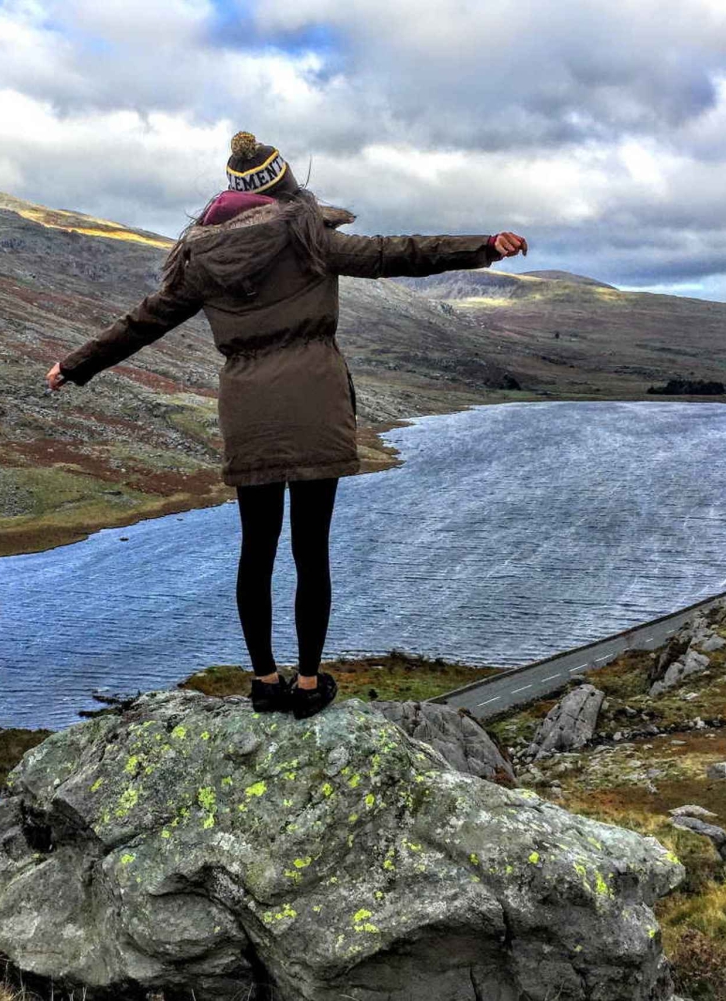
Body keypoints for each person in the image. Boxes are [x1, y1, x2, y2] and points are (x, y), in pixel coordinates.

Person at [47, 131, 527, 720]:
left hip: (248, 410)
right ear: (284, 182)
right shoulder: (310, 240)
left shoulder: (199, 261)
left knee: (256, 549)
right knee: (311, 551)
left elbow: (140, 323)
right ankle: (306, 684)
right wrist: (482, 246)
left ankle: (263, 679)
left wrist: (73, 366)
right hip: (315, 402)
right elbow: (396, 253)